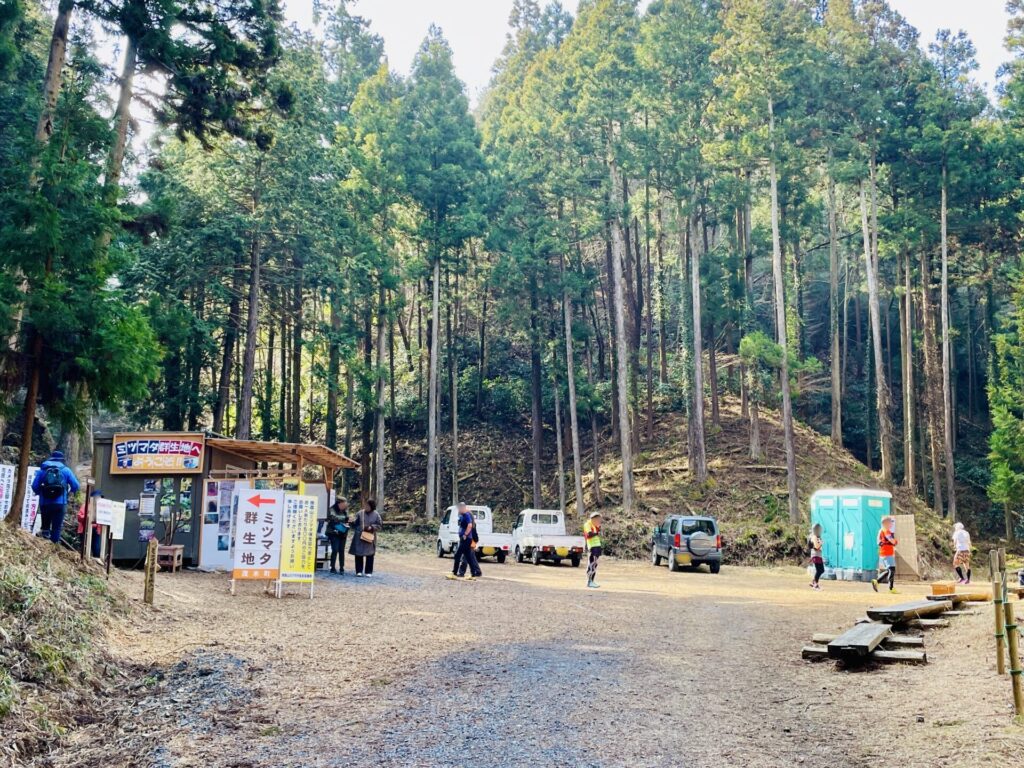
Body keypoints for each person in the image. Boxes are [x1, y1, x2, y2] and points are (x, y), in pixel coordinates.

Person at [31, 450, 80, 544]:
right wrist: (69, 492)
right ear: (61, 460)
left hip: (45, 503)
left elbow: (34, 486)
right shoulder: (66, 470)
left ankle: (44, 545)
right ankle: (54, 548)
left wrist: (40, 492)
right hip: (60, 503)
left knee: (45, 527)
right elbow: (76, 486)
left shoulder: (43, 470)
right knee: (56, 528)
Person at [447, 502, 481, 581]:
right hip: (466, 539)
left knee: (457, 555)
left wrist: (465, 535)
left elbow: (470, 525)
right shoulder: (463, 515)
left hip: (466, 539)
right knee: (469, 557)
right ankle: (473, 574)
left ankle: (454, 573)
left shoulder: (466, 515)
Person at [349, 498, 382, 577]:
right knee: (358, 553)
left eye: (368, 505)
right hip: (359, 536)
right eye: (365, 505)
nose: (366, 507)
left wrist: (372, 527)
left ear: (372, 506)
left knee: (370, 554)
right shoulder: (360, 513)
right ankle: (359, 571)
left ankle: (368, 571)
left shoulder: (376, 514)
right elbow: (355, 523)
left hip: (370, 536)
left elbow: (380, 525)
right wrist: (351, 522)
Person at [871, 516, 899, 594]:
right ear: (885, 523)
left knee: (890, 570)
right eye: (890, 522)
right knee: (891, 570)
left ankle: (877, 581)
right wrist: (895, 542)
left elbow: (879, 542)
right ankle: (891, 588)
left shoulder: (881, 531)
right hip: (887, 552)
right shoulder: (886, 531)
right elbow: (892, 541)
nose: (891, 524)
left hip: (886, 552)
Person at [325, 496, 351, 574]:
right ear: (339, 503)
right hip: (334, 533)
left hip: (343, 532)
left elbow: (347, 519)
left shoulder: (345, 510)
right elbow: (333, 519)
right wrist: (342, 521)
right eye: (343, 504)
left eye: (345, 504)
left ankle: (342, 568)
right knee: (335, 549)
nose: (344, 506)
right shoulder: (331, 509)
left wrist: (347, 521)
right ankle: (332, 567)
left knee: (341, 550)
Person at [77, 490, 104, 558]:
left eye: (100, 497)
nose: (99, 499)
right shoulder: (85, 505)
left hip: (96, 530)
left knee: (96, 548)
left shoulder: (101, 507)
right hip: (85, 529)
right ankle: (84, 560)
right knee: (85, 548)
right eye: (97, 497)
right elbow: (79, 517)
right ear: (93, 498)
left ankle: (96, 563)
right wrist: (87, 516)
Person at [583, 511, 602, 589]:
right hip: (592, 547)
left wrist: (598, 528)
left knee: (595, 564)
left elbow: (596, 533)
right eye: (597, 519)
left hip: (597, 546)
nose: (599, 520)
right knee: (591, 564)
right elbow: (589, 535)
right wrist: (596, 533)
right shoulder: (587, 524)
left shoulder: (594, 525)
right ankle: (589, 581)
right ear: (593, 518)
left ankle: (592, 581)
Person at [808, 523, 824, 591]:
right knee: (820, 570)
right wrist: (821, 543)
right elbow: (817, 546)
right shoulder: (814, 537)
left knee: (821, 570)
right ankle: (815, 584)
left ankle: (813, 582)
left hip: (818, 555)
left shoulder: (816, 537)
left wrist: (820, 542)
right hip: (816, 555)